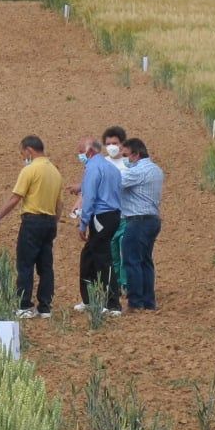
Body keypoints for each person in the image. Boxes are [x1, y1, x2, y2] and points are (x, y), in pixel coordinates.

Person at [0, 135, 63, 317]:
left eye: (22, 153)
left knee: (25, 264)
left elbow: (15, 198)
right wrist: (53, 224)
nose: (23, 158)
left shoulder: (30, 170)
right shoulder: (55, 172)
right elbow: (59, 205)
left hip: (32, 221)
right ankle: (45, 307)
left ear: (29, 150)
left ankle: (24, 306)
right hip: (50, 221)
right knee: (46, 265)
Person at [72, 136, 123, 313]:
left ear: (90, 151)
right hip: (114, 215)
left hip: (101, 217)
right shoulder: (112, 169)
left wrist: (83, 223)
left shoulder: (93, 168)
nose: (80, 156)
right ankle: (90, 299)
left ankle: (112, 304)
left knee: (102, 258)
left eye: (81, 152)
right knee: (89, 256)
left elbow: (90, 198)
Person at [118, 137, 164, 311]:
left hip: (137, 220)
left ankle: (135, 302)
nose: (125, 159)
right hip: (152, 219)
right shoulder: (156, 170)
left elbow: (115, 182)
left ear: (136, 155)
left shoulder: (138, 171)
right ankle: (148, 301)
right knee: (145, 261)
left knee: (132, 261)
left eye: (126, 155)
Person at [102, 125, 130, 299]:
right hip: (108, 216)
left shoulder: (128, 165)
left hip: (126, 214)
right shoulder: (102, 163)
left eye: (115, 143)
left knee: (124, 251)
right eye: (108, 143)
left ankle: (127, 284)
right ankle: (115, 285)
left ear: (122, 144)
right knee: (111, 253)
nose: (111, 146)